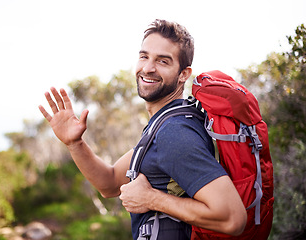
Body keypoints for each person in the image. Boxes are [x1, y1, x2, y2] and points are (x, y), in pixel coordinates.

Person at [39, 19, 247, 240]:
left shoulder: (174, 133)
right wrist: (75, 144)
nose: (148, 68)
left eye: (163, 61)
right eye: (144, 56)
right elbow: (109, 183)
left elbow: (232, 218)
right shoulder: (163, 126)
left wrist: (151, 199)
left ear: (184, 74)